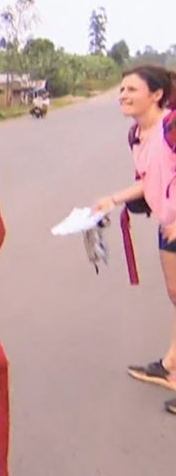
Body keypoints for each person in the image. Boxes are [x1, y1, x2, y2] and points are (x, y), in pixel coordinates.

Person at [92, 65, 176, 416]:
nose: (123, 95)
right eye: (121, 90)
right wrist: (113, 198)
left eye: (131, 89)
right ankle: (171, 366)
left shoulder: (172, 127)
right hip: (167, 223)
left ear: (156, 95)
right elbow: (149, 179)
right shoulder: (137, 135)